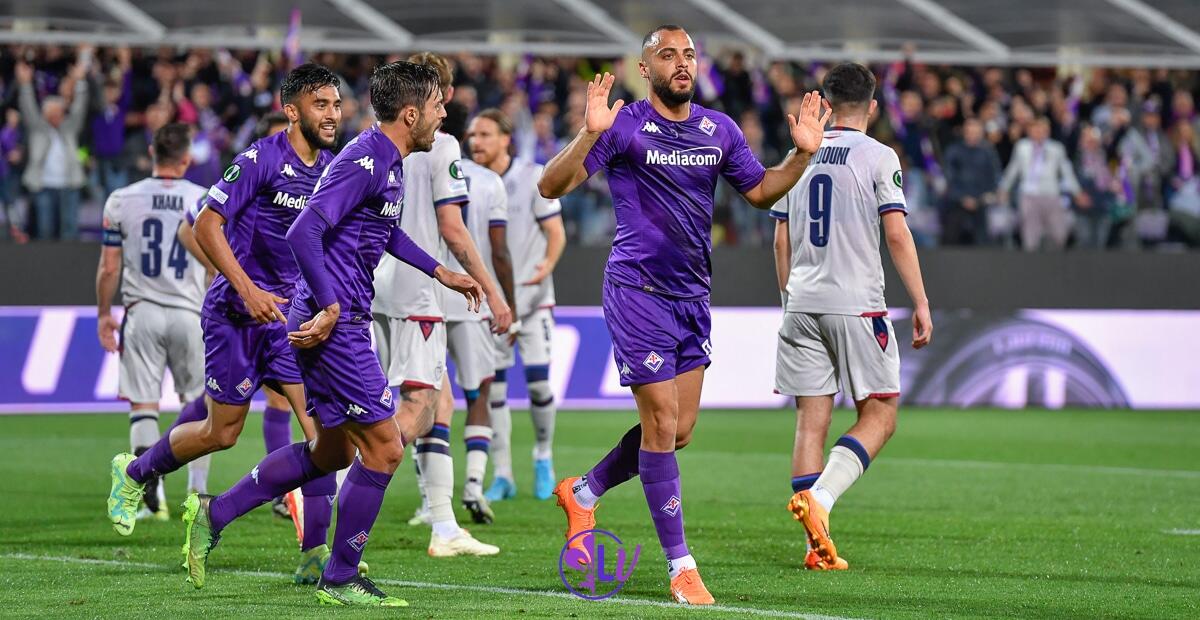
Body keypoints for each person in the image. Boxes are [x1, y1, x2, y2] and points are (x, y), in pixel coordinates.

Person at [537, 24, 829, 605]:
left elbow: (762, 192)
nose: (681, 63)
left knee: (679, 431)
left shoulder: (718, 129)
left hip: (691, 297)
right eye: (667, 55)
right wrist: (584, 136)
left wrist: (802, 154)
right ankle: (681, 566)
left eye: (689, 55)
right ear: (645, 69)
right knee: (663, 426)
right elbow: (551, 186)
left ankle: (585, 492)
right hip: (636, 290)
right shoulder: (621, 126)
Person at [179, 60, 482, 607]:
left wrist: (440, 271)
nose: (444, 111)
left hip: (336, 317)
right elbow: (304, 229)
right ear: (410, 113)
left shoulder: (389, 160)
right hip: (333, 323)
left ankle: (214, 513)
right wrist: (332, 303)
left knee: (333, 451)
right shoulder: (366, 159)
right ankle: (340, 576)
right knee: (386, 448)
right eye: (437, 103)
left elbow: (381, 231)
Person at [107, 63, 341, 583]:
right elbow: (204, 226)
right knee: (222, 433)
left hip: (291, 321)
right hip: (236, 315)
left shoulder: (332, 168)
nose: (331, 114)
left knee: (324, 437)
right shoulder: (260, 159)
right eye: (320, 104)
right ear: (292, 110)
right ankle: (134, 472)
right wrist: (245, 287)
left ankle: (314, 554)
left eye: (336, 104)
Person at [770, 62, 932, 572]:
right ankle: (822, 502)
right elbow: (898, 233)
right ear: (874, 107)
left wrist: (789, 297)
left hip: (801, 301)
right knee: (881, 415)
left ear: (826, 101)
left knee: (809, 422)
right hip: (857, 303)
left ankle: (814, 545)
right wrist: (921, 301)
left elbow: (780, 237)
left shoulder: (801, 150)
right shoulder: (879, 156)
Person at [370, 53, 510, 557]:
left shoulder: (376, 140)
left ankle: (444, 523)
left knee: (437, 403)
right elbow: (452, 228)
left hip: (378, 288)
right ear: (439, 98)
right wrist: (491, 291)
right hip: (419, 291)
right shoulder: (442, 145)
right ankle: (331, 480)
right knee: (420, 406)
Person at [96, 123, 212, 521]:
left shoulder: (121, 199)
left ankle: (151, 499)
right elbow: (215, 266)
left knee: (143, 405)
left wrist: (102, 314)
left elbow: (109, 268)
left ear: (151, 152)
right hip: (190, 313)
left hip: (141, 312)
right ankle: (197, 495)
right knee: (202, 405)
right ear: (187, 158)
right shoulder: (203, 199)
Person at [467, 108, 565, 503]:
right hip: (494, 304)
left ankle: (543, 457)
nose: (476, 141)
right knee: (495, 393)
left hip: (534, 300)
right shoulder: (469, 181)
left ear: (506, 138)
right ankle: (503, 473)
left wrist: (547, 267)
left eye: (485, 134)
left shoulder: (531, 176)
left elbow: (555, 233)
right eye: (472, 135)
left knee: (540, 385)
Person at [423, 101, 512, 525]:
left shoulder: (416, 166)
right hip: (473, 298)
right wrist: (503, 300)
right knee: (479, 392)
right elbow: (498, 250)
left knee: (424, 396)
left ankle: (429, 498)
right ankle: (474, 484)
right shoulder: (490, 181)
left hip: (427, 294)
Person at [16, 55, 90, 240]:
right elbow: (28, 108)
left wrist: (80, 82)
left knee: (69, 230)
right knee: (45, 230)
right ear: (46, 114)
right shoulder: (38, 129)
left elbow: (80, 108)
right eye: (53, 113)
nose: (58, 116)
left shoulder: (69, 128)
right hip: (43, 185)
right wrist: (25, 84)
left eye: (60, 112)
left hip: (69, 184)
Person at [998, 116, 1088, 251]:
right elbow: (1013, 169)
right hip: (1028, 194)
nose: (1039, 132)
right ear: (1030, 130)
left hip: (1051, 194)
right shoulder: (1022, 147)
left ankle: (1057, 264)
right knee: (1030, 234)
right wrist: (1004, 188)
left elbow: (1067, 172)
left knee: (1059, 233)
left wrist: (1077, 192)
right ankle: (1030, 265)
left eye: (1042, 129)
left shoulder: (1056, 149)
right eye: (1036, 129)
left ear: (1048, 131)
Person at [941, 118, 1001, 245]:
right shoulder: (954, 151)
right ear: (965, 132)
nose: (973, 135)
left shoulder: (988, 152)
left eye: (976, 131)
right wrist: (962, 198)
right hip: (958, 201)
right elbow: (950, 178)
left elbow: (994, 176)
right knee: (950, 232)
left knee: (984, 236)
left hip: (981, 201)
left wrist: (984, 196)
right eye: (970, 131)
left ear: (981, 133)